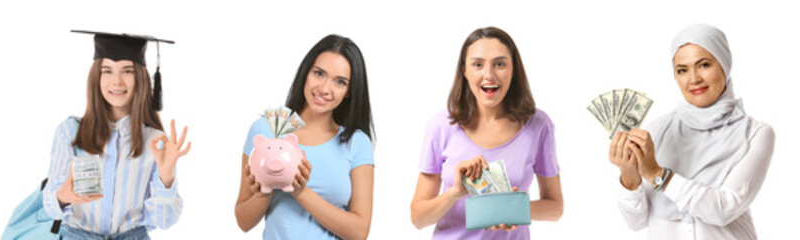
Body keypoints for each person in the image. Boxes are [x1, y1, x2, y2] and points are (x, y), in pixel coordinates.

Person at [612, 24, 776, 239]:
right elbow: (636, 222)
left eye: (704, 65)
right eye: (682, 70)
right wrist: (629, 177)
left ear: (724, 66)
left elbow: (724, 209)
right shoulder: (658, 130)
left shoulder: (755, 133)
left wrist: (655, 174)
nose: (694, 79)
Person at [26, 30, 191, 240]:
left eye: (127, 71)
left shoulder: (157, 143)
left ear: (140, 77)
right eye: (107, 71)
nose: (117, 81)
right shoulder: (69, 132)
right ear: (97, 76)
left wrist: (166, 176)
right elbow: (50, 207)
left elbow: (164, 221)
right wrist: (63, 197)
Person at [409, 26, 564, 239]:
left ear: (513, 69)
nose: (488, 75)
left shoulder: (539, 125)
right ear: (465, 70)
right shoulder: (440, 126)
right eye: (478, 65)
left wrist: (514, 209)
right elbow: (418, 218)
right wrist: (455, 192)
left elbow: (555, 208)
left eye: (499, 64)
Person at [234, 34, 375, 240]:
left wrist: (301, 192)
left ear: (349, 91)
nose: (325, 89)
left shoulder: (357, 143)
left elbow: (359, 231)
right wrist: (263, 193)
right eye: (319, 73)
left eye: (340, 82)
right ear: (305, 73)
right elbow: (243, 222)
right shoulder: (265, 131)